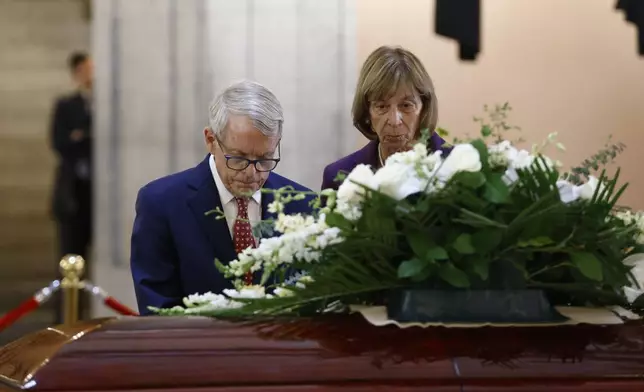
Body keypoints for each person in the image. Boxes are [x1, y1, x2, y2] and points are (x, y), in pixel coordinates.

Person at [130, 80, 313, 314]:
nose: (252, 173)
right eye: (238, 158)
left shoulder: (303, 204)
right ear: (210, 140)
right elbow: (158, 311)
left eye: (265, 159)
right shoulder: (161, 204)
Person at [321, 46, 451, 190]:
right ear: (367, 114)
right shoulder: (340, 178)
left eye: (406, 106)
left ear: (424, 109)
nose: (394, 121)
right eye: (382, 107)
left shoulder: (458, 170)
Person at [49, 51, 93, 323]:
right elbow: (60, 142)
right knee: (69, 259)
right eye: (87, 69)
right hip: (74, 194)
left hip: (99, 194)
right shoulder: (67, 105)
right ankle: (65, 319)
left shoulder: (107, 104)